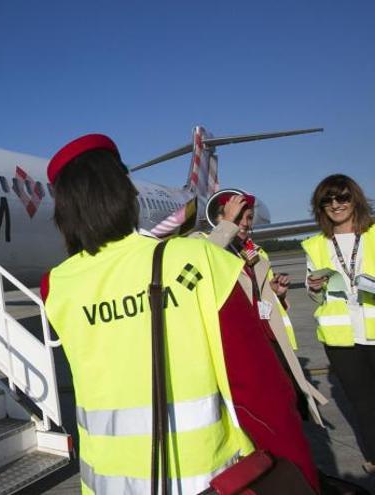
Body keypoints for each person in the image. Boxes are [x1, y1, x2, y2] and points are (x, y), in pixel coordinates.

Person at [41, 134, 318, 493]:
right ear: (126, 192)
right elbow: (260, 392)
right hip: (209, 481)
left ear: (63, 209)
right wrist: (302, 478)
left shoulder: (57, 286)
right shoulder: (198, 260)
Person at [196, 191, 327, 423]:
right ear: (219, 218)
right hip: (237, 343)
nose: (244, 224)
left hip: (265, 337)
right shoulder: (200, 243)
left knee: (285, 403)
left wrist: (275, 294)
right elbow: (200, 266)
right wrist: (228, 225)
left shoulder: (250, 250)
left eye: (247, 218)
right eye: (237, 217)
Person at [303, 174, 375, 474]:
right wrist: (314, 286)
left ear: (354, 199)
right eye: (328, 200)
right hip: (341, 338)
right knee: (363, 403)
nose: (336, 204)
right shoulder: (315, 245)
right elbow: (316, 296)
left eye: (342, 197)